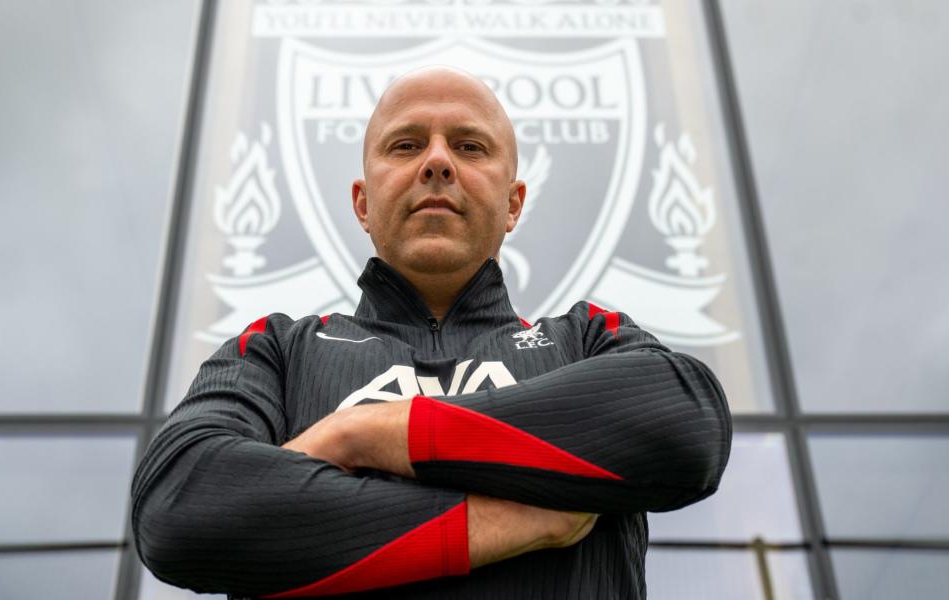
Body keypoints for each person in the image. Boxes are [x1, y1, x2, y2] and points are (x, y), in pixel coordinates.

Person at [131, 67, 732, 599]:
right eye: (407, 144)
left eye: (470, 146)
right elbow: (181, 507)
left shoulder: (586, 339)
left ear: (514, 203)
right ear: (363, 204)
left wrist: (361, 434)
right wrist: (488, 525)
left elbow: (688, 425)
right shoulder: (275, 351)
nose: (437, 161)